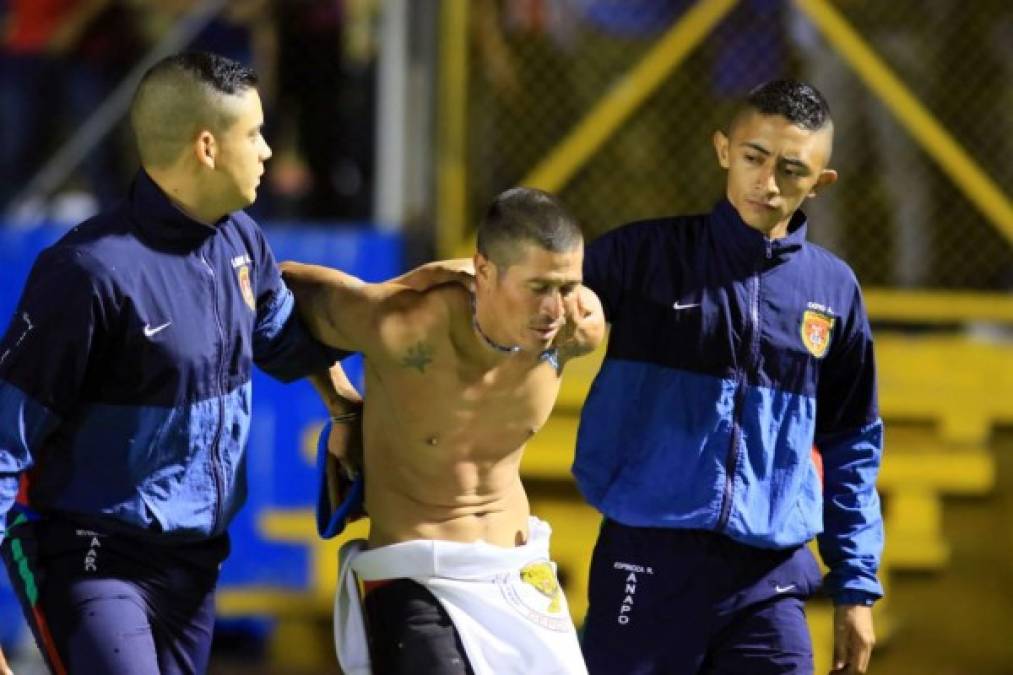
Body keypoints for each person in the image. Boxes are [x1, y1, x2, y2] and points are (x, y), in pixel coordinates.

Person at [0, 52, 361, 675]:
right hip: (90, 559)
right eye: (254, 134)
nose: (269, 151)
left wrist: (346, 396)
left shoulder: (242, 241)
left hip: (194, 569)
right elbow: (4, 448)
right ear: (206, 147)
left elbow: (285, 341)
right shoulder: (86, 273)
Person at [574, 79, 883, 675]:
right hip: (646, 558)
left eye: (792, 170)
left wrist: (856, 587)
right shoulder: (646, 254)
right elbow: (530, 295)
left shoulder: (834, 292)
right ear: (723, 149)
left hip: (770, 582)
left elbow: (853, 445)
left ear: (820, 183)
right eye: (753, 158)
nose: (767, 183)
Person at [282, 187, 606, 675]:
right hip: (415, 574)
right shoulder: (406, 326)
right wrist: (340, 401)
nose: (555, 309)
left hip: (517, 571)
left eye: (567, 286)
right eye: (538, 288)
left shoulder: (576, 332)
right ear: (486, 271)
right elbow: (275, 287)